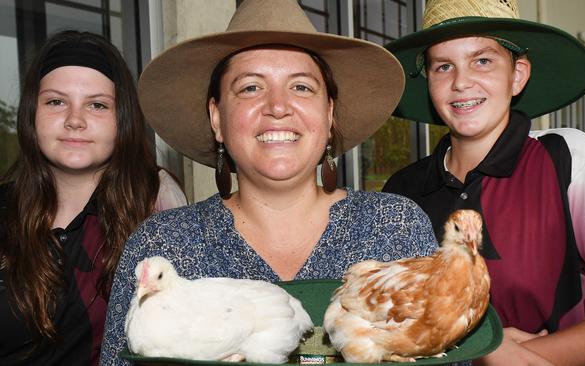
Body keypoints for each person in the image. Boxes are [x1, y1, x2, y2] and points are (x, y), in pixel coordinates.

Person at [99, 0, 439, 364]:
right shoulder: (163, 245)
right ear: (217, 118)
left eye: (302, 87)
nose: (278, 106)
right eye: (250, 88)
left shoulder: (395, 229)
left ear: (329, 114)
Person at [382, 0, 585, 364]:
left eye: (482, 60)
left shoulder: (569, 159)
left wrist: (517, 356)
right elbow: (387, 323)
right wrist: (479, 350)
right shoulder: (401, 191)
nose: (461, 82)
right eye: (443, 66)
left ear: (518, 74)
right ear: (429, 81)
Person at [0, 30, 186, 366]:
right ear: (31, 113)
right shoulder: (4, 210)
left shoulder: (153, 203)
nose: (75, 120)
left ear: (122, 118)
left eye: (97, 105)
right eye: (56, 102)